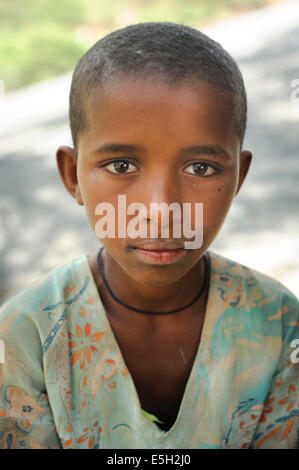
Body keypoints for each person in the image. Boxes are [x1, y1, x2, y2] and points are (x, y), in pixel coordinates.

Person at [0, 22, 298, 450]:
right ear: (72, 176)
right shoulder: (25, 336)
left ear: (239, 177)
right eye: (121, 165)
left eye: (200, 168)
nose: (160, 209)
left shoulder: (281, 325)